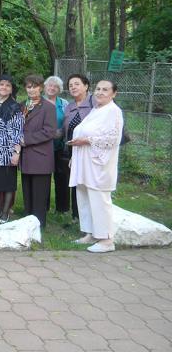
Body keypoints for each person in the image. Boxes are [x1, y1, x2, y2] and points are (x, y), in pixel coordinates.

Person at [69, 80, 123, 253]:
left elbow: (112, 139)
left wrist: (86, 140)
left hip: (99, 164)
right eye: (98, 89)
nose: (100, 92)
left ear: (113, 93)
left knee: (99, 199)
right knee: (84, 196)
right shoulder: (96, 109)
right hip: (84, 161)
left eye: (105, 89)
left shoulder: (113, 111)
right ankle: (91, 233)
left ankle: (106, 239)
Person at [19, 74, 56, 228]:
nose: (32, 89)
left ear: (41, 88)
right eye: (29, 86)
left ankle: (39, 224)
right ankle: (28, 222)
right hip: (25, 156)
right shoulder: (22, 105)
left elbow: (49, 131)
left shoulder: (48, 107)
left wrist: (26, 139)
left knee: (40, 193)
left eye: (35, 86)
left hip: (40, 156)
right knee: (27, 191)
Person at [0, 75, 24, 223]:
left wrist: (16, 152)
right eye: (2, 84)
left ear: (11, 89)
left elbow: (18, 130)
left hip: (8, 149)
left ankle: (6, 212)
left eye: (8, 85)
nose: (4, 88)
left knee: (8, 183)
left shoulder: (15, 106)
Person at [63, 73, 95, 222]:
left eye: (76, 84)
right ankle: (77, 216)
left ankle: (92, 216)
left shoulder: (94, 103)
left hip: (90, 150)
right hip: (73, 150)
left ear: (86, 86)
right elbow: (64, 130)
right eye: (70, 85)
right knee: (75, 182)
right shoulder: (69, 107)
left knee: (88, 183)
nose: (73, 87)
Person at [44, 76, 69, 213]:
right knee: (44, 177)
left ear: (59, 90)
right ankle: (44, 206)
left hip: (60, 145)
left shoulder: (64, 103)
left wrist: (62, 132)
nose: (52, 88)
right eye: (50, 85)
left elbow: (68, 121)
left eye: (55, 87)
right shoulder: (39, 101)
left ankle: (63, 208)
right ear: (45, 87)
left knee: (62, 176)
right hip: (43, 146)